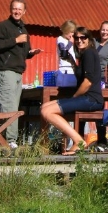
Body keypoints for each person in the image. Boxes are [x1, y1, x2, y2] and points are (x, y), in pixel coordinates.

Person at [41, 26, 104, 155]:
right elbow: (82, 76)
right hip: (87, 98)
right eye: (77, 38)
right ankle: (52, 143)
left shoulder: (89, 53)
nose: (79, 40)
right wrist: (70, 60)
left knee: (47, 111)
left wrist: (74, 97)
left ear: (89, 39)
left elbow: (88, 82)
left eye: (83, 38)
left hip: (91, 99)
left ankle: (78, 141)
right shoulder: (84, 55)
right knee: (45, 106)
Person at [0, 0, 41, 149]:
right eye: (15, 8)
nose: (17, 11)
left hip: (18, 72)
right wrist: (15, 40)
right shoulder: (3, 26)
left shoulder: (23, 29)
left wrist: (31, 53)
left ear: (24, 11)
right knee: (9, 106)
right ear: (10, 9)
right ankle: (9, 141)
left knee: (14, 106)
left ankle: (10, 139)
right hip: (6, 72)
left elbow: (24, 52)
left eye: (20, 9)